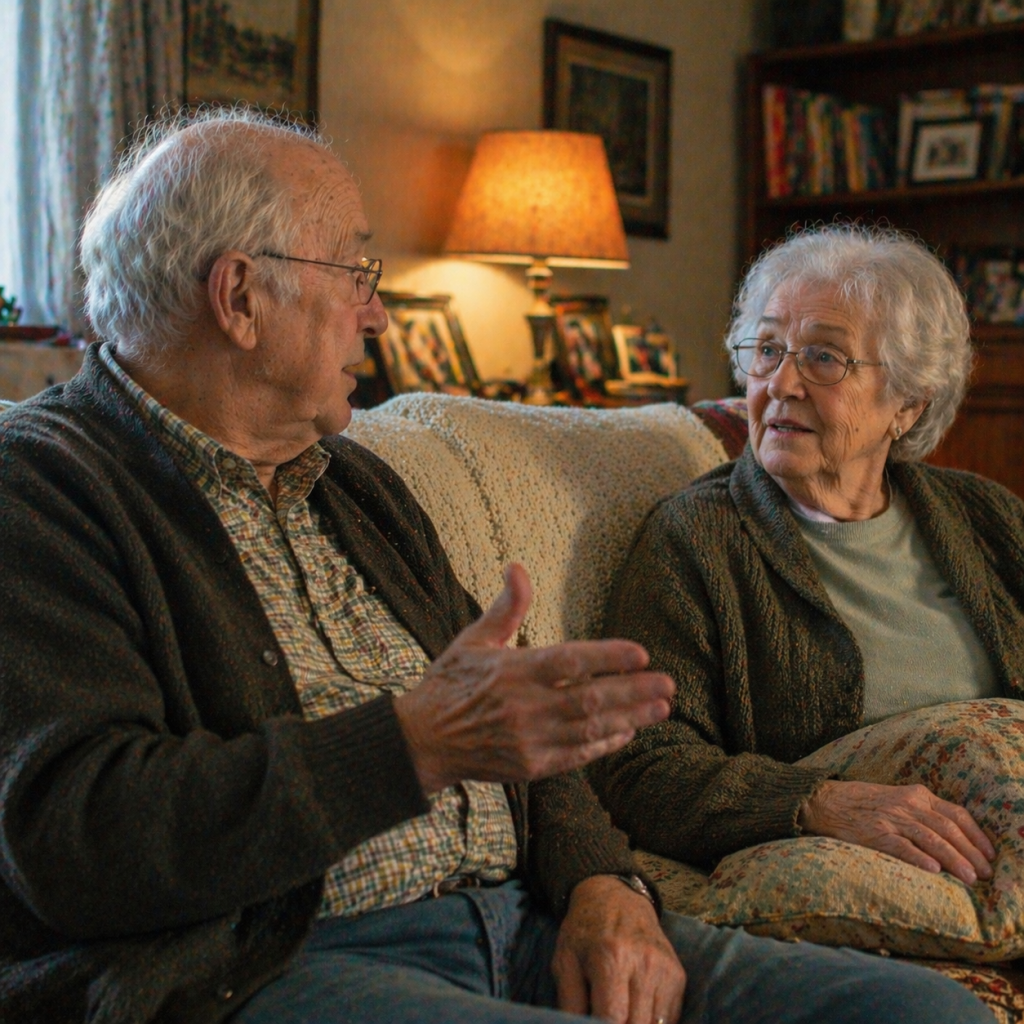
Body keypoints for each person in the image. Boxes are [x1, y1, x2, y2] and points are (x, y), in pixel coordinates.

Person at [0, 114, 992, 1024]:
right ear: (240, 297)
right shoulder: (46, 489)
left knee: (926, 1016)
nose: (378, 316)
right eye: (354, 273)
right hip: (275, 958)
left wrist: (605, 885)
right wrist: (412, 743)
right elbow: (74, 839)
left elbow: (522, 734)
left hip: (521, 926)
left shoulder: (351, 484)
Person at [593, 224, 1024, 891]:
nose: (781, 383)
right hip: (869, 889)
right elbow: (639, 767)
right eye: (767, 350)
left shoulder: (985, 517)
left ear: (907, 405)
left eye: (824, 358)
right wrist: (817, 803)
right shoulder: (697, 540)